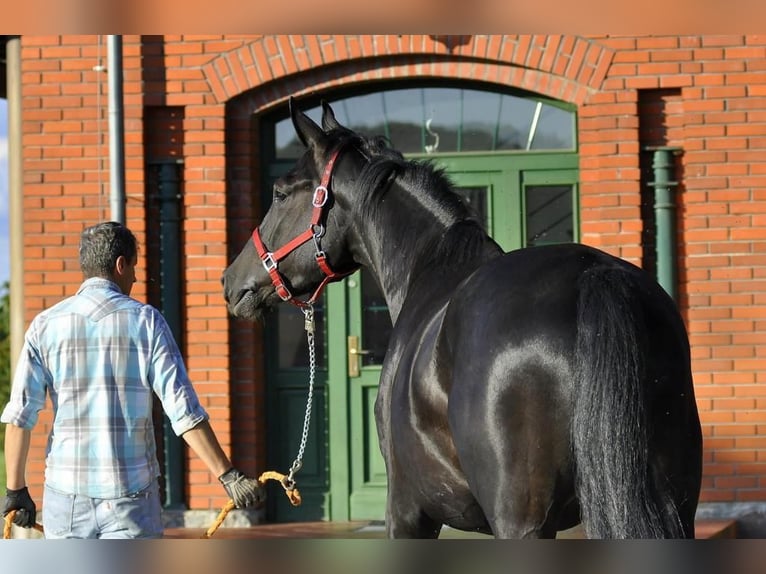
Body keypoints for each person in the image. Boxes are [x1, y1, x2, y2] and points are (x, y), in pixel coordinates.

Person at [1, 221, 264, 538]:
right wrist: (228, 476)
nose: (137, 277)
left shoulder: (45, 325)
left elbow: (20, 416)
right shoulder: (147, 321)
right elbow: (183, 410)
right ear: (120, 264)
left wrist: (16, 490)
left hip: (65, 497)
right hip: (131, 499)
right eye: (134, 268)